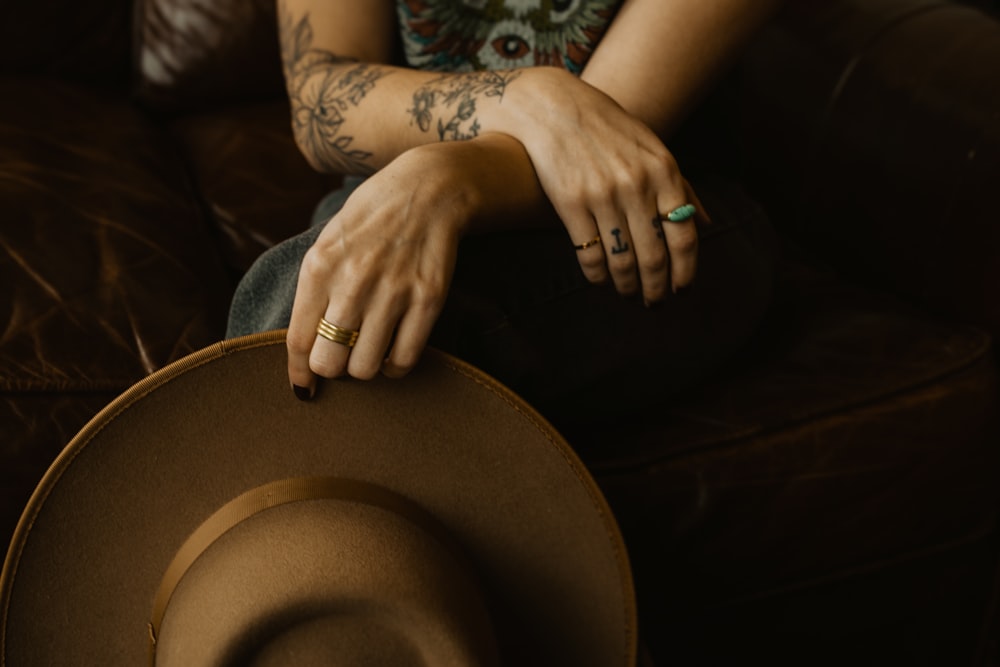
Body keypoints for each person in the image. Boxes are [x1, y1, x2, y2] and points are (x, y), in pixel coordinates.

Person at [228, 0, 781, 434]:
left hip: (654, 218)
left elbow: (606, 150)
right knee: (310, 307)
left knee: (322, 324)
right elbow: (321, 98)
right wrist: (529, 98)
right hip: (384, 191)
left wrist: (440, 181)